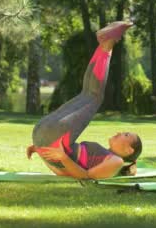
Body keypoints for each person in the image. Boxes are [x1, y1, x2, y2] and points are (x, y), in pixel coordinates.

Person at [26, 21, 142, 180]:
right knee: (87, 93)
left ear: (129, 150)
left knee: (94, 96)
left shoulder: (116, 161)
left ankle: (107, 43)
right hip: (44, 136)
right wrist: (39, 148)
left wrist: (56, 155)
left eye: (126, 135)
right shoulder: (105, 155)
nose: (120, 132)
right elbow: (62, 172)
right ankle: (106, 43)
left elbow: (85, 176)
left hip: (50, 137)